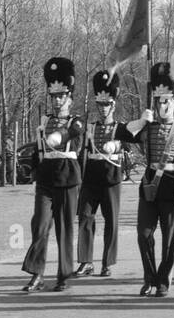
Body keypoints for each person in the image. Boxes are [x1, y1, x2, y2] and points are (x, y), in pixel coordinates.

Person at [119, 54, 174, 297]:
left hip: (173, 188)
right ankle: (149, 276)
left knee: (169, 240)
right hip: (150, 186)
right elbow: (123, 134)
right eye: (157, 100)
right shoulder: (148, 126)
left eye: (166, 101)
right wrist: (141, 121)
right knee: (144, 235)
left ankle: (163, 280)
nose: (161, 106)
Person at [23, 57, 85, 293]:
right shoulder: (44, 121)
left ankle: (64, 275)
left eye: (62, 96)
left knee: (64, 228)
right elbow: (39, 150)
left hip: (68, 178)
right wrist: (33, 169)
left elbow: (70, 133)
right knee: (39, 225)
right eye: (54, 96)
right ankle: (36, 273)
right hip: (46, 179)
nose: (57, 100)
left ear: (70, 97)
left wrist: (58, 137)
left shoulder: (76, 121)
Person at [76, 68, 123, 278]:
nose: (103, 108)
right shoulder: (90, 128)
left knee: (111, 221)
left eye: (107, 104)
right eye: (100, 104)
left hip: (111, 179)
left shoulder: (120, 128)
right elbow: (82, 154)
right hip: (91, 179)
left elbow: (129, 151)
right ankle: (86, 261)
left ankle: (107, 262)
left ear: (113, 104)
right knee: (85, 217)